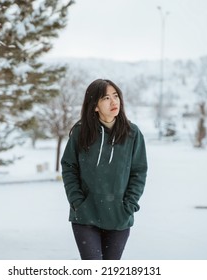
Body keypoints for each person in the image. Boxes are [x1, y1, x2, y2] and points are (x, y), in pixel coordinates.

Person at [61, 78, 148, 260]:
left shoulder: (132, 133)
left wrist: (129, 206)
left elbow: (138, 172)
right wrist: (77, 201)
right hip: (86, 216)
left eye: (115, 96)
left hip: (118, 217)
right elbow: (69, 167)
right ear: (95, 106)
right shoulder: (81, 132)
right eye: (106, 98)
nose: (114, 101)